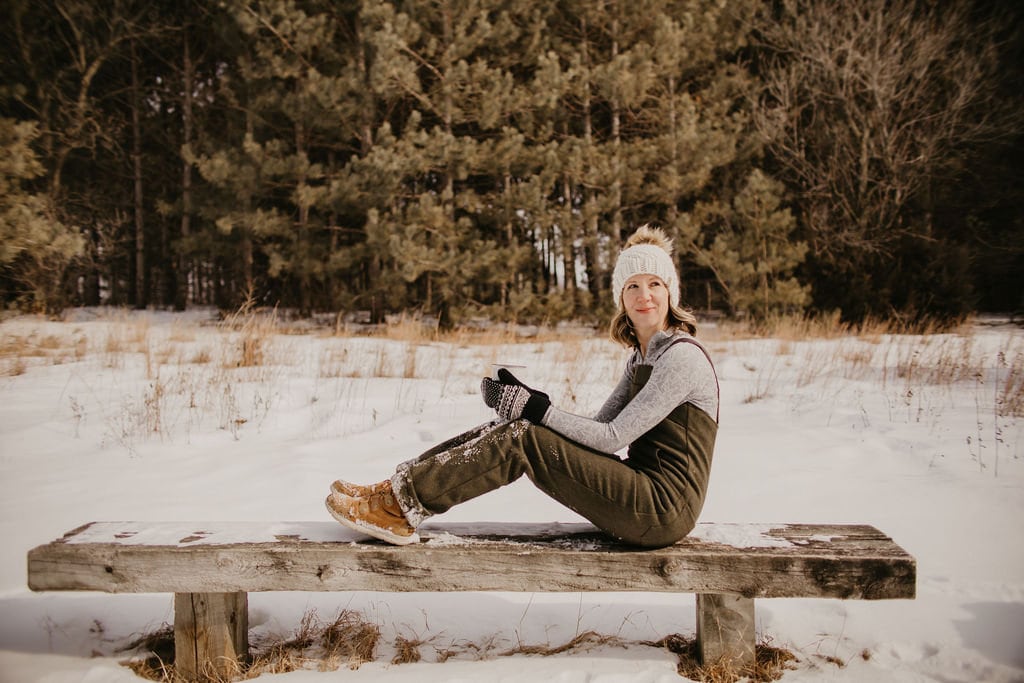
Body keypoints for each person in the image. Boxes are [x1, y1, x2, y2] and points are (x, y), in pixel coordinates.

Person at [326, 225, 719, 548]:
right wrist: (529, 402)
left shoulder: (681, 357)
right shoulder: (640, 357)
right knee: (514, 428)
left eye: (654, 284)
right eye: (632, 286)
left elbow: (611, 438)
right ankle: (396, 492)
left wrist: (535, 409)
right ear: (621, 297)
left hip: (663, 510)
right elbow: (596, 429)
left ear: (670, 292)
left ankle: (401, 507)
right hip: (641, 494)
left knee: (522, 439)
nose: (644, 296)